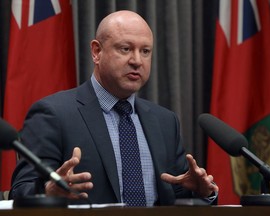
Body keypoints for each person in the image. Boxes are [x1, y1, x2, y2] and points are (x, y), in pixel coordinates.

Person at [9, 10, 218, 206]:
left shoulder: (165, 121)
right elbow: (20, 192)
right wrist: (48, 192)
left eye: (145, 51)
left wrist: (201, 192)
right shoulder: (53, 114)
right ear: (96, 52)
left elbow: (175, 195)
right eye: (125, 49)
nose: (137, 61)